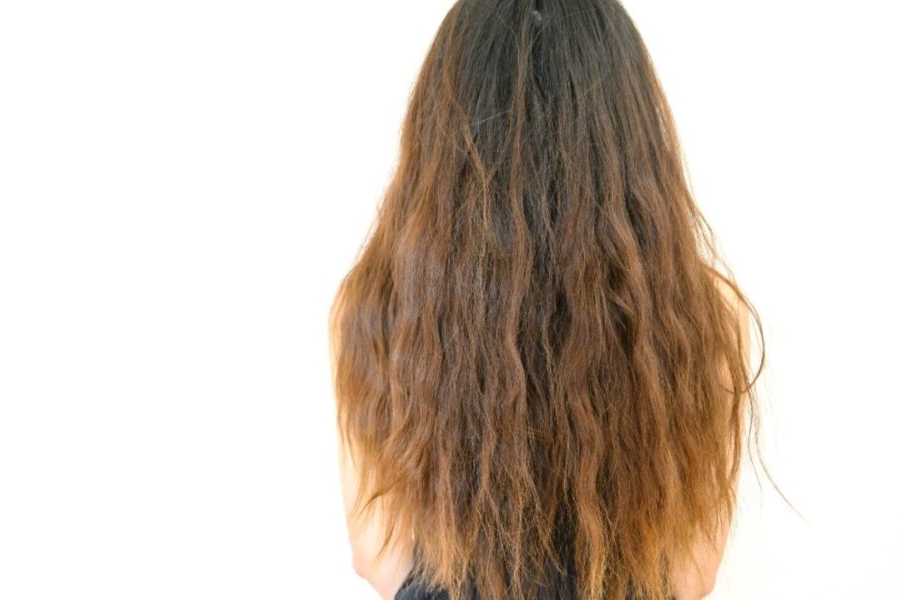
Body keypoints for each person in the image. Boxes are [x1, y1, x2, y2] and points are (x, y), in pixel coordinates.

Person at [327, 1, 771, 599]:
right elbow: (693, 575)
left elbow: (376, 555)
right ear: (629, 134)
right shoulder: (709, 316)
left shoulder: (372, 305)